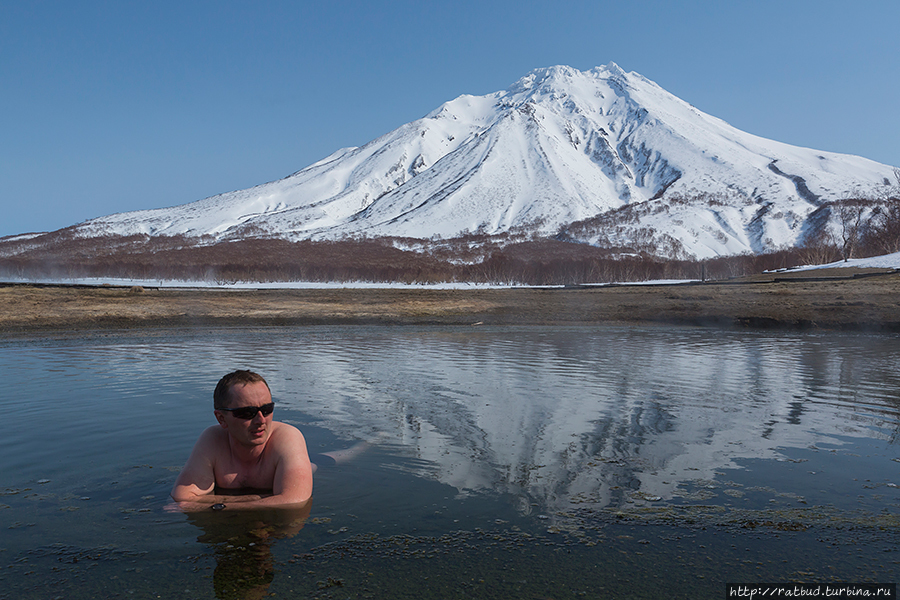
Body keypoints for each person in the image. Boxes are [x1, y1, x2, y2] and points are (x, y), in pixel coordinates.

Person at [171, 370, 314, 511]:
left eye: (267, 409)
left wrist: (216, 506)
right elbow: (182, 497)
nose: (261, 420)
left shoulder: (287, 437)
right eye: (247, 413)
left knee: (318, 465)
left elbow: (295, 501)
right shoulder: (213, 439)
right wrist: (254, 498)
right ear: (221, 418)